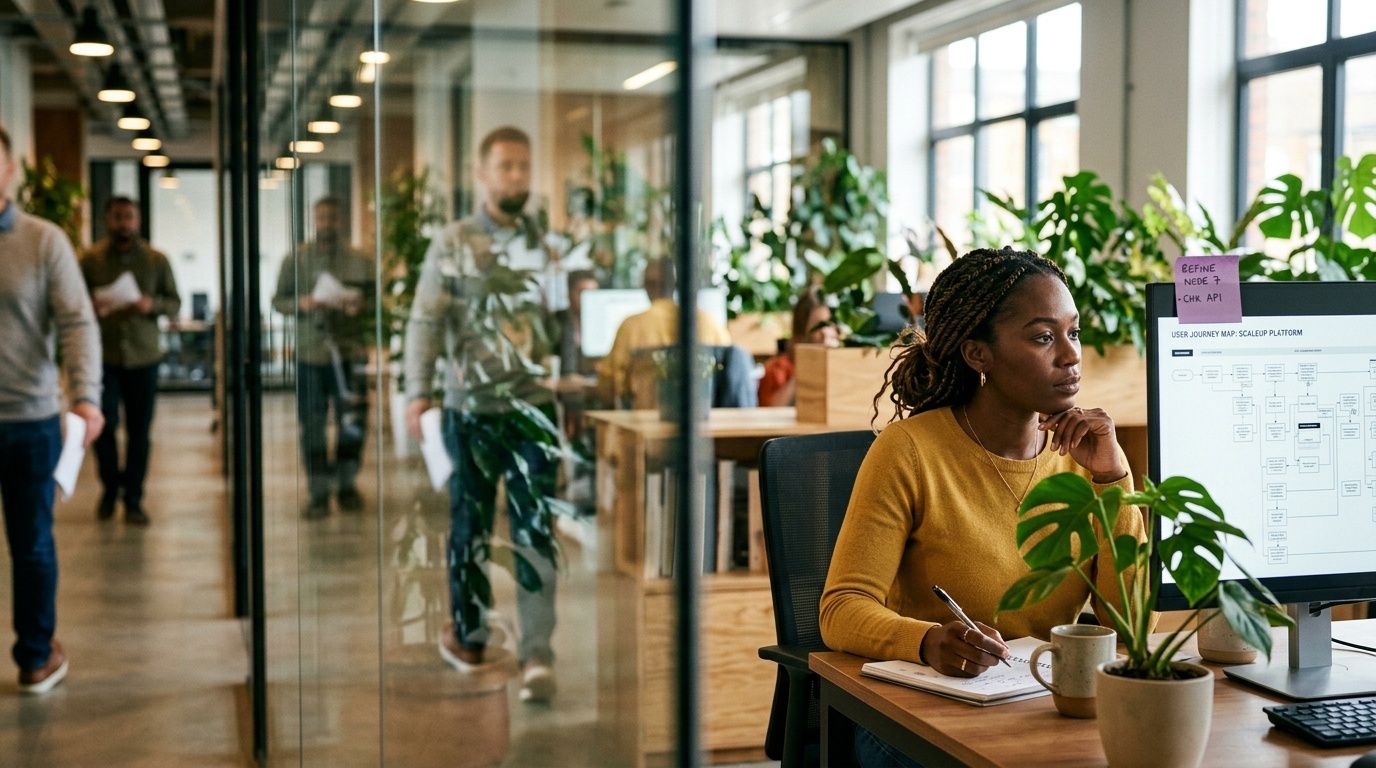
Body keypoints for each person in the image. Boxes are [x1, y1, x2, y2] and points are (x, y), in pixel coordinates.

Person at [817, 247, 1147, 767]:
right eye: (1043, 337)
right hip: (919, 712)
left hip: (1042, 707)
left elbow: (1130, 631)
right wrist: (928, 641)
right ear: (978, 354)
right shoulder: (908, 451)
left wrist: (1113, 481)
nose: (1071, 355)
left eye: (1074, 332)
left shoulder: (1087, 458)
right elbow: (841, 610)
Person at [404, 126, 563, 703]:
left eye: (524, 166)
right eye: (506, 167)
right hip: (470, 411)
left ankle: (537, 653)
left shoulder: (544, 245)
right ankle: (469, 636)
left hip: (532, 410)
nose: (517, 176)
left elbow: (557, 325)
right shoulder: (453, 241)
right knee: (469, 528)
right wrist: (416, 392)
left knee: (534, 531)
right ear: (483, 174)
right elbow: (425, 321)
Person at [0, 124, 104, 694]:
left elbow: (77, 323)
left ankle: (35, 655)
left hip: (29, 421)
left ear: (11, 170)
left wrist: (85, 396)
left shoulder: (43, 242)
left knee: (32, 542)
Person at [272, 197, 374, 519]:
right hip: (310, 353)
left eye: (332, 217)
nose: (326, 223)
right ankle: (318, 492)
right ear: (313, 219)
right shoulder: (296, 260)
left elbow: (376, 304)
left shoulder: (360, 260)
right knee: (312, 426)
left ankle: (346, 485)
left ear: (340, 220)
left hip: (349, 352)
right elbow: (278, 301)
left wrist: (361, 306)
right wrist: (301, 303)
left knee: (353, 423)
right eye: (321, 217)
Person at [80, 196, 181, 525]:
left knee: (140, 431)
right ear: (107, 220)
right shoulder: (91, 259)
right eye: (117, 217)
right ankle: (111, 488)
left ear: (137, 221)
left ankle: (134, 498)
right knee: (104, 426)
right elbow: (75, 301)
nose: (123, 223)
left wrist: (150, 306)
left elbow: (174, 302)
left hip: (143, 357)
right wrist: (92, 307)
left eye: (129, 217)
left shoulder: (156, 260)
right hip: (104, 356)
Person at [596, 257, 732, 406]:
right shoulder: (708, 323)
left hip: (646, 422)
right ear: (675, 284)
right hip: (701, 421)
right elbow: (729, 370)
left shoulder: (631, 327)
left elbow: (610, 386)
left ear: (646, 285)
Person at [757, 287, 840, 407]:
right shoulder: (778, 370)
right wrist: (807, 367)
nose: (826, 333)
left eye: (831, 325)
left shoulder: (846, 367)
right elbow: (770, 412)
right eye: (819, 326)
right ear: (801, 333)